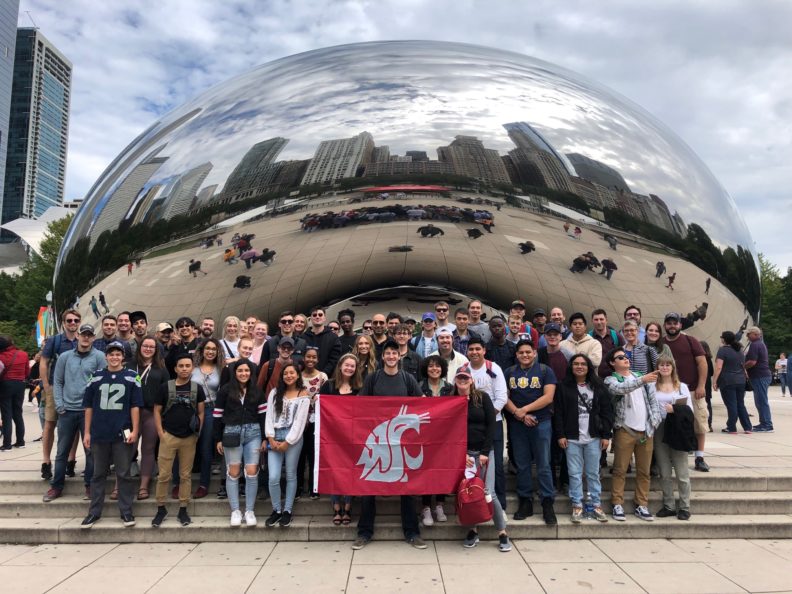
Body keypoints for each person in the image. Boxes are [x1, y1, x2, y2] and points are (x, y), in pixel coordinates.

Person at [354, 340, 425, 550]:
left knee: (406, 487)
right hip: (378, 441)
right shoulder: (373, 378)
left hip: (401, 443)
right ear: (383, 357)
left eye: (395, 353)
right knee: (369, 486)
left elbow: (422, 403)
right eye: (388, 353)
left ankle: (412, 533)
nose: (392, 356)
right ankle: (364, 532)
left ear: (399, 356)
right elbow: (359, 404)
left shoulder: (408, 378)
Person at [80, 341, 143, 528]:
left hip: (122, 431)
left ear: (123, 357)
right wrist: (87, 432)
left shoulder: (132, 376)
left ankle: (126, 511)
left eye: (118, 354)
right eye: (111, 354)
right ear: (106, 356)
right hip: (100, 431)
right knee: (98, 473)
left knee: (123, 473)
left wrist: (135, 430)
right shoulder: (96, 376)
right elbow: (88, 406)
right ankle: (94, 512)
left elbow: (135, 406)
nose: (114, 357)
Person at [43, 324, 106, 502]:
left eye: (89, 335)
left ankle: (90, 485)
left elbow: (102, 382)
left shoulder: (99, 357)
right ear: (78, 336)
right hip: (67, 410)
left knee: (90, 451)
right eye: (83, 334)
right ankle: (56, 486)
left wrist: (96, 408)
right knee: (62, 451)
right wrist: (59, 405)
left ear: (93, 338)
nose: (86, 338)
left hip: (88, 411)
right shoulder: (65, 357)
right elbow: (58, 381)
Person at [453, 367, 512, 552]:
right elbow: (451, 430)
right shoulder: (452, 400)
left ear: (471, 380)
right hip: (464, 455)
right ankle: (473, 530)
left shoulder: (483, 398)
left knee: (489, 492)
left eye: (466, 378)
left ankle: (502, 532)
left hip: (485, 452)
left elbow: (491, 425)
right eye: (459, 378)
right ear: (455, 381)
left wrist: (485, 452)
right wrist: (461, 454)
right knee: (468, 492)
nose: (463, 381)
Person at [553, 354, 613, 523]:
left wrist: (606, 435)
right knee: (574, 473)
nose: (579, 366)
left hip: (594, 437)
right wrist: (560, 434)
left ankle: (595, 504)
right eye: (576, 364)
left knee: (593, 473)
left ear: (589, 367)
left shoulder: (599, 386)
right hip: (572, 438)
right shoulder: (563, 387)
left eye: (583, 364)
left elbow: (607, 412)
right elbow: (558, 413)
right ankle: (577, 504)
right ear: (571, 367)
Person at [503, 339, 557, 525]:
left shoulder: (545, 371)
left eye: (528, 352)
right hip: (518, 424)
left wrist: (524, 410)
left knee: (543, 463)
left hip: (541, 422)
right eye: (521, 353)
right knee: (522, 464)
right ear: (516, 355)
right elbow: (504, 397)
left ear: (534, 353)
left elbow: (548, 397)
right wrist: (519, 414)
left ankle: (547, 502)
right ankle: (525, 500)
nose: (525, 355)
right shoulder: (509, 372)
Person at [604, 348, 662, 521]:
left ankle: (642, 504)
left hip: (646, 431)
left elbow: (654, 402)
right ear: (612, 363)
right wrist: (642, 379)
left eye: (626, 356)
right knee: (620, 469)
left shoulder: (640, 376)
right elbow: (620, 389)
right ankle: (617, 503)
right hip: (625, 430)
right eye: (620, 357)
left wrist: (653, 423)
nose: (625, 359)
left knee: (644, 471)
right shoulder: (611, 379)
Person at [152, 354, 206, 528]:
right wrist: (160, 433)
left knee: (185, 475)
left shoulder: (197, 389)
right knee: (164, 475)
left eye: (187, 366)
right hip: (169, 435)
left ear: (192, 368)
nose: (184, 369)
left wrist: (198, 432)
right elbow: (157, 410)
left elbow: (201, 412)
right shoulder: (165, 388)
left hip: (189, 437)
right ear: (175, 368)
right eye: (181, 366)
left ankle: (183, 508)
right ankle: (161, 508)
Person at [214, 359, 266, 527]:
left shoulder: (257, 391)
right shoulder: (225, 390)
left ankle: (249, 510)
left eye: (246, 370)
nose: (244, 373)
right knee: (234, 471)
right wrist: (218, 439)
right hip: (231, 432)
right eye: (240, 370)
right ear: (234, 372)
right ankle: (235, 510)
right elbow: (217, 415)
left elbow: (263, 416)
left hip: (254, 433)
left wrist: (264, 437)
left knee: (252, 471)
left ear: (251, 373)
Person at [662, 312, 710, 471]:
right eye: (669, 323)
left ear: (680, 325)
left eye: (675, 323)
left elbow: (702, 363)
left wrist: (701, 386)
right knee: (673, 425)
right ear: (665, 325)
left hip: (692, 390)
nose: (672, 326)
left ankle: (699, 457)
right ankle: (672, 457)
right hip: (669, 391)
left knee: (699, 424)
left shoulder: (690, 341)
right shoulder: (661, 343)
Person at [264, 364, 310, 528]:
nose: (289, 376)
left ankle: (287, 511)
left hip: (293, 438)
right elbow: (269, 415)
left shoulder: (303, 395)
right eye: (286, 373)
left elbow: (300, 422)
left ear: (298, 375)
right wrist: (270, 437)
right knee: (273, 476)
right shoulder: (275, 393)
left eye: (292, 373)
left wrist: (288, 442)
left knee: (291, 475)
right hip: (275, 436)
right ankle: (276, 509)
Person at [321, 353, 363, 525]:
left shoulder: (359, 388)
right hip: (332, 437)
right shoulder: (329, 386)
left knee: (350, 471)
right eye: (347, 365)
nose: (349, 368)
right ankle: (336, 507)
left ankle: (347, 507)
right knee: (334, 470)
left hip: (352, 437)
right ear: (340, 366)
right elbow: (321, 407)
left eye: (352, 366)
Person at [39, 309, 81, 481]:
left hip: (74, 389)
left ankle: (71, 459)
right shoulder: (55, 341)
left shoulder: (82, 340)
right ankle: (46, 461)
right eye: (69, 320)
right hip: (54, 388)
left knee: (75, 426)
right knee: (50, 424)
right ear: (63, 323)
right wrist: (46, 385)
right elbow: (43, 362)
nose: (72, 323)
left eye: (75, 320)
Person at [652, 353, 693, 520]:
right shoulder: (652, 386)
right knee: (664, 470)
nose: (664, 367)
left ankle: (684, 506)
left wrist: (674, 409)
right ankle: (668, 504)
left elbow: (689, 411)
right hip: (659, 427)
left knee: (682, 471)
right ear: (657, 367)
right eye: (661, 365)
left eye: (668, 365)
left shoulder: (681, 387)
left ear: (673, 367)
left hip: (677, 428)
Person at [129, 336, 169, 501]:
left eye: (152, 347)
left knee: (148, 449)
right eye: (145, 346)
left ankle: (144, 486)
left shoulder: (161, 369)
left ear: (156, 350)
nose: (148, 349)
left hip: (150, 413)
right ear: (140, 347)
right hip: (130, 414)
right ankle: (119, 484)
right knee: (127, 448)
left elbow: (166, 392)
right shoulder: (130, 365)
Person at [192, 338, 224, 499]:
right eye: (207, 348)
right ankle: (180, 482)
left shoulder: (221, 369)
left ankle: (204, 484)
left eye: (213, 349)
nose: (210, 351)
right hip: (192, 409)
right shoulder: (192, 368)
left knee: (206, 447)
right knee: (188, 445)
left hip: (211, 409)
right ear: (202, 350)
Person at [297, 346, 327, 500]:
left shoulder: (322, 377)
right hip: (299, 421)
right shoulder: (297, 376)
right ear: (303, 358)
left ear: (318, 359)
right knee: (299, 454)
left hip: (317, 421)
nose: (310, 359)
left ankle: (314, 487)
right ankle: (298, 486)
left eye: (314, 357)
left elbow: (327, 398)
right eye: (308, 356)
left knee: (314, 454)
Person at [713, 331, 751, 433]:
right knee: (740, 404)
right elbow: (743, 366)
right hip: (741, 380)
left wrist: (714, 381)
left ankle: (731, 427)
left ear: (724, 339)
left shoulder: (722, 350)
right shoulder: (740, 350)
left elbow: (719, 367)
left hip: (727, 380)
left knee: (731, 404)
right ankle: (747, 427)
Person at [0, 336, 29, 450]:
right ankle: (20, 442)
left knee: (6, 415)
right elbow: (27, 372)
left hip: (5, 385)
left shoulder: (1, 356)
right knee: (18, 414)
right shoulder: (23, 354)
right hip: (20, 384)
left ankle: (7, 444)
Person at [745, 326, 773, 432]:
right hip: (762, 375)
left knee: (761, 401)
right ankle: (764, 423)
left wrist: (742, 367)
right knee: (760, 401)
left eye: (749, 334)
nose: (747, 335)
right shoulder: (760, 344)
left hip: (760, 376)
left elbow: (752, 361)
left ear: (755, 334)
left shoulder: (755, 345)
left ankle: (767, 425)